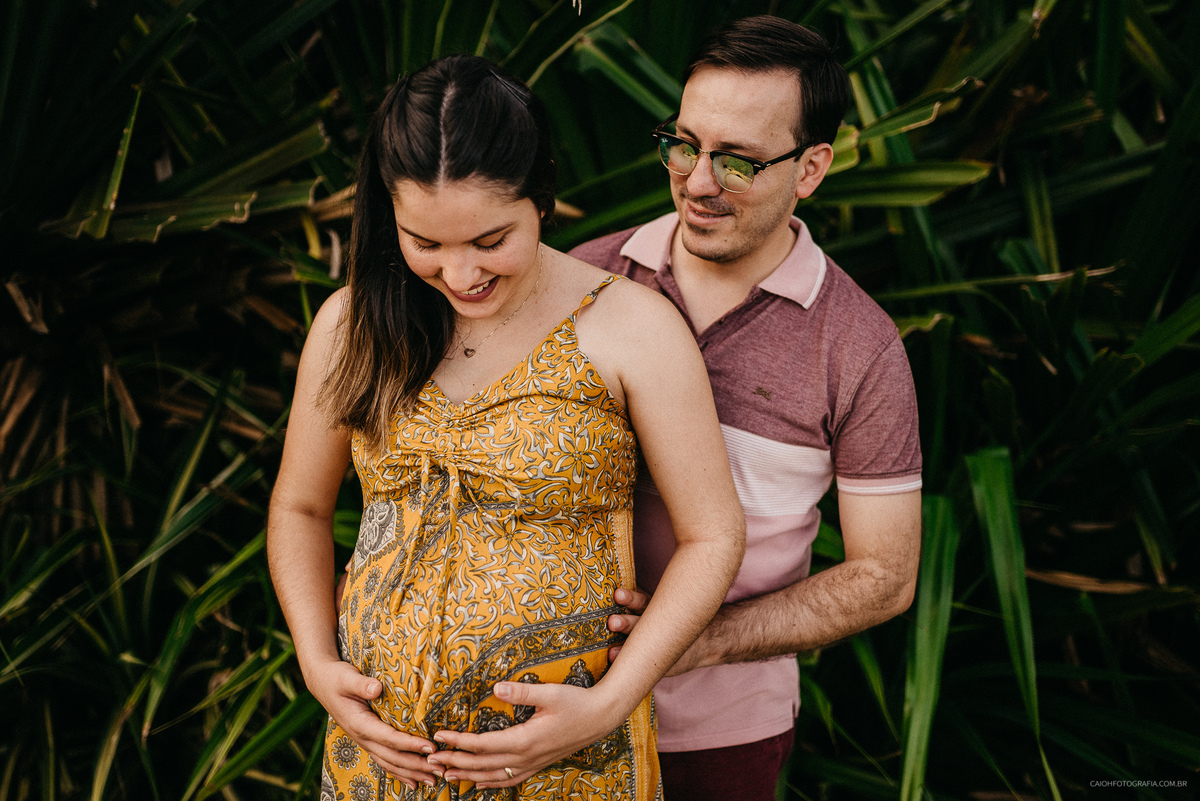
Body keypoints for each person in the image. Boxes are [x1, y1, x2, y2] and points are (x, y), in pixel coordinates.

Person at [431, 17, 924, 801]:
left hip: (715, 730)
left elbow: (885, 576)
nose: (696, 181)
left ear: (812, 168)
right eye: (686, 144)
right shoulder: (582, 278)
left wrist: (701, 641)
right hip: (522, 704)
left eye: (736, 162)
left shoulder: (858, 347)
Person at [266, 54, 745, 801]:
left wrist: (607, 706)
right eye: (425, 243)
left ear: (542, 196)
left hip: (568, 762)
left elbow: (713, 535)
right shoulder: (352, 323)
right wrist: (317, 664)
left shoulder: (631, 327)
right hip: (383, 765)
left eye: (490, 241)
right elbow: (300, 507)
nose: (460, 275)